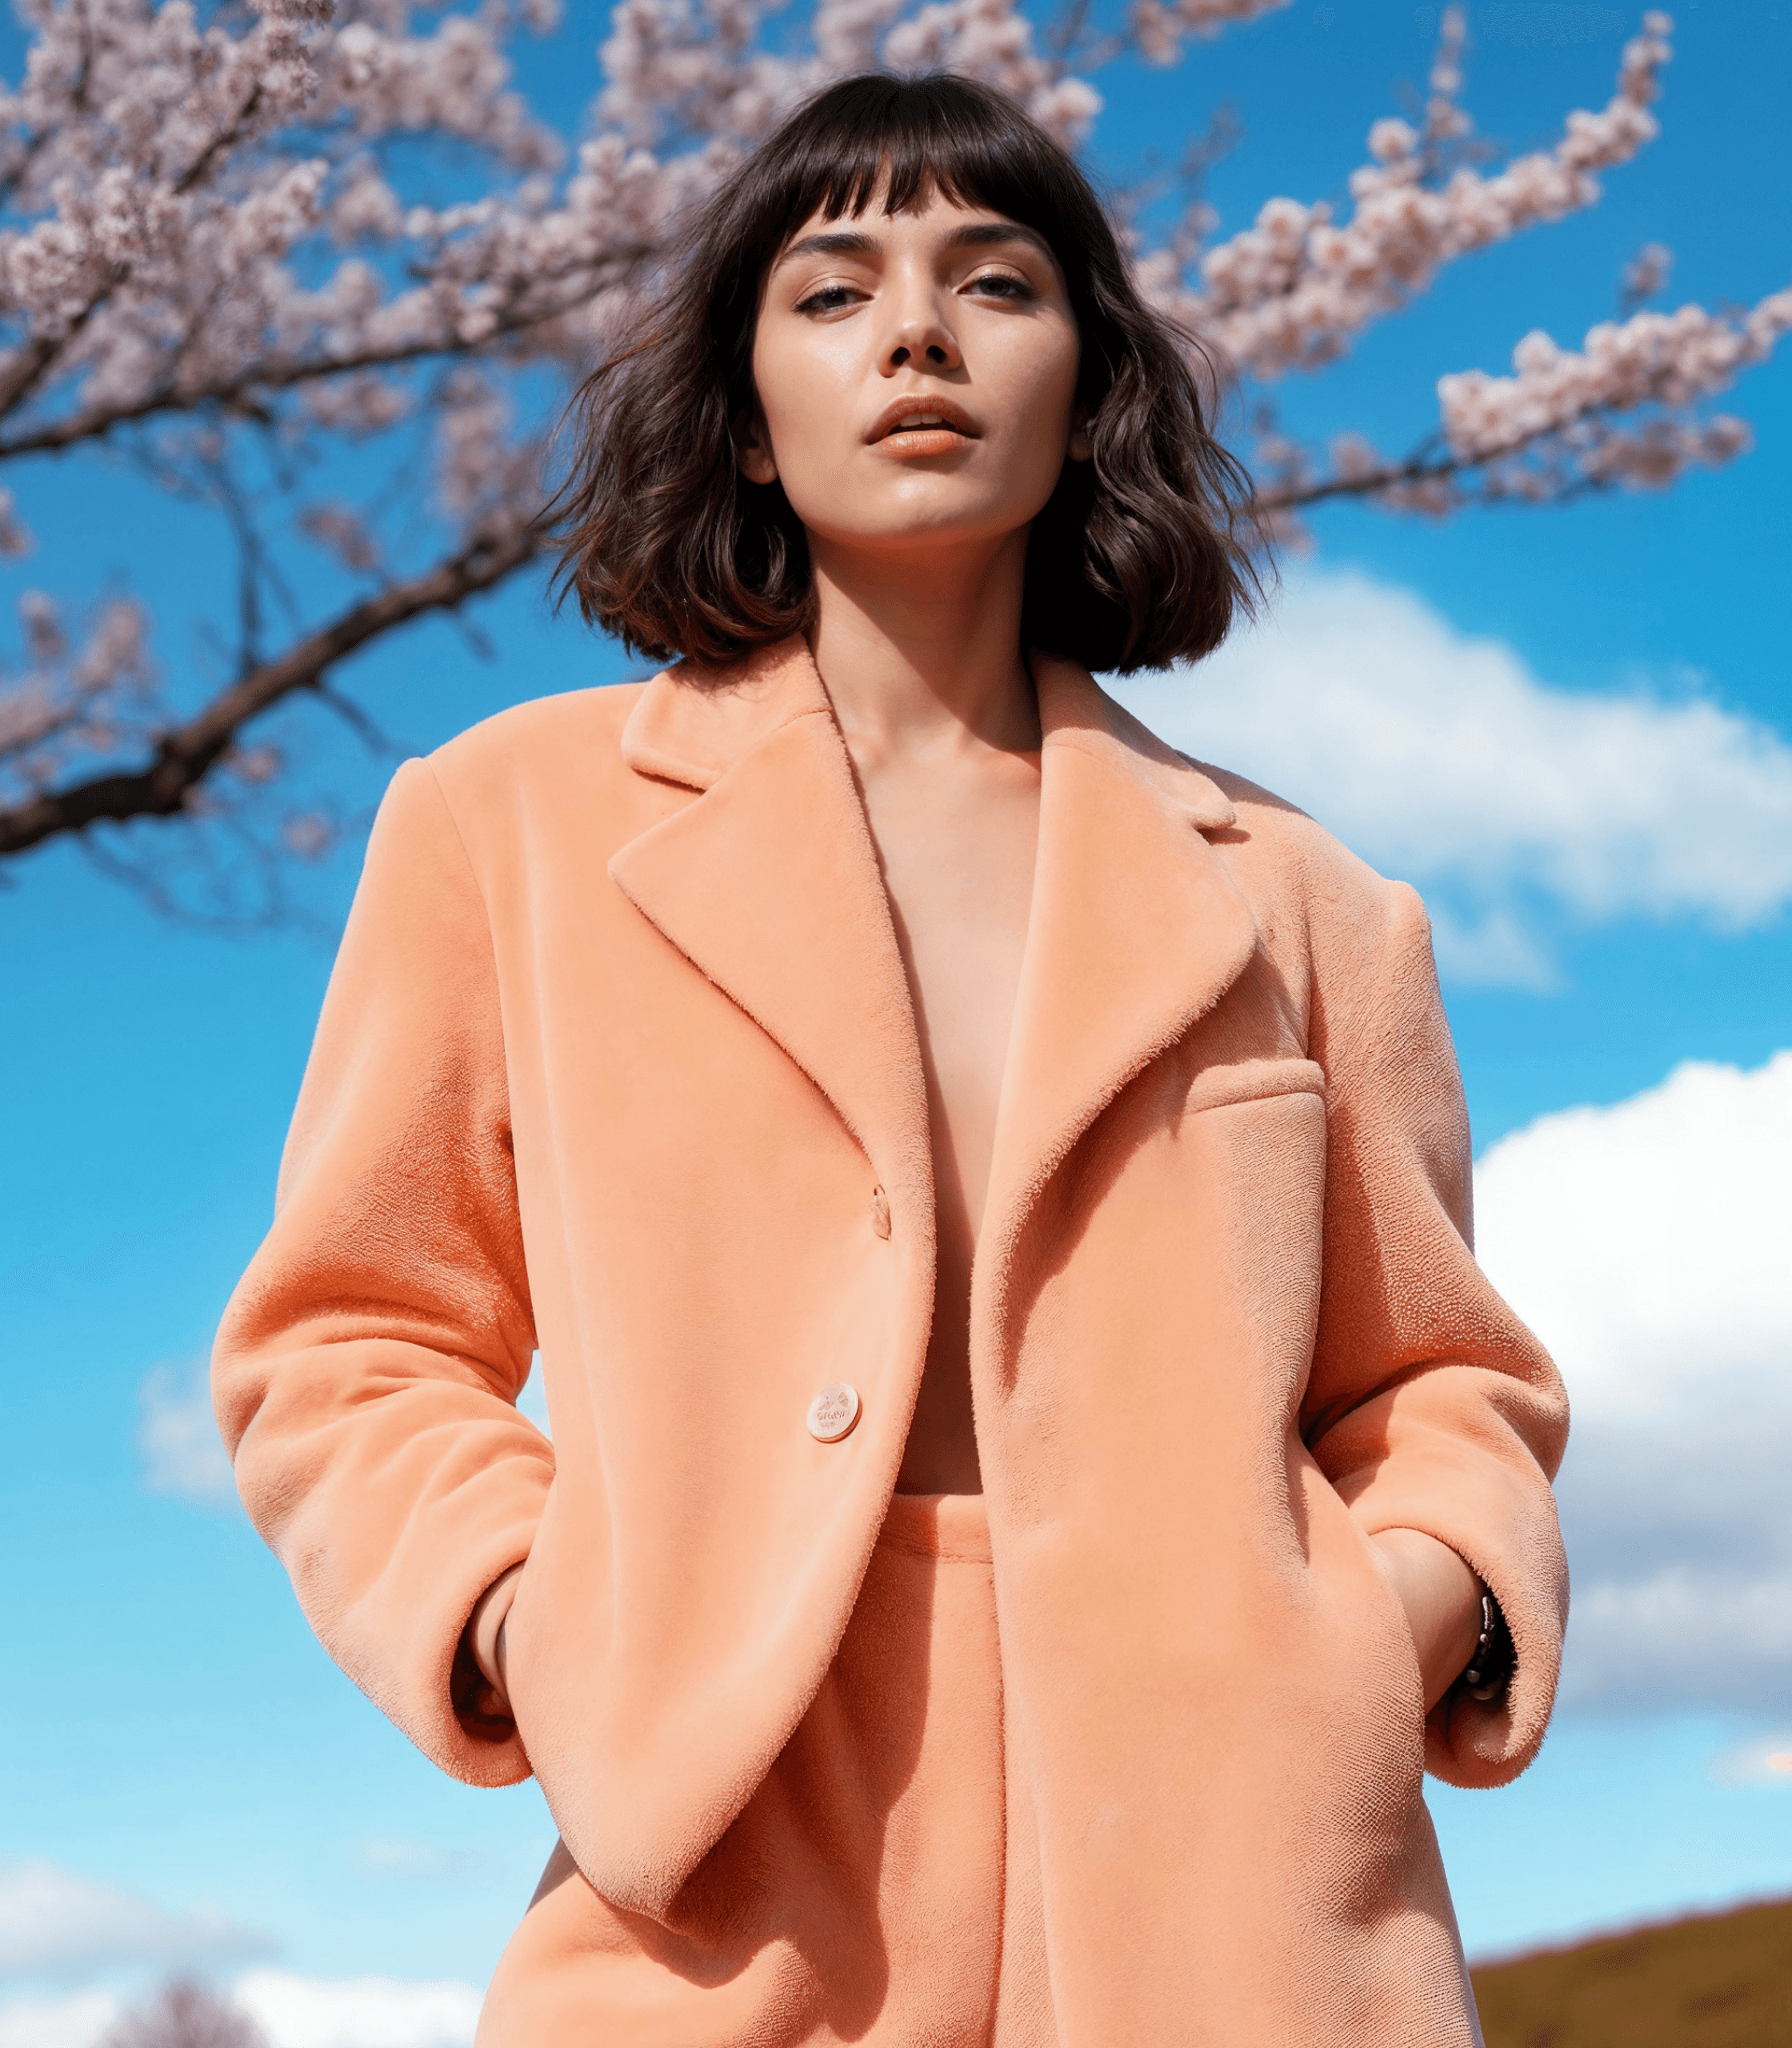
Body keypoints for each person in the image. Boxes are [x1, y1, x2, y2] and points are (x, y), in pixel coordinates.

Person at [213, 70, 1568, 2048]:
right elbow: (346, 1333)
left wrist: (1383, 1623)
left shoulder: (1308, 901)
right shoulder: (507, 827)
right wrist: (528, 1616)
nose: (917, 330)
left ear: (1084, 381)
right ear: (745, 414)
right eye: (832, 291)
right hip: (716, 1854)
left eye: (994, 282)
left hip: (1239, 1878)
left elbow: (1437, 1379)